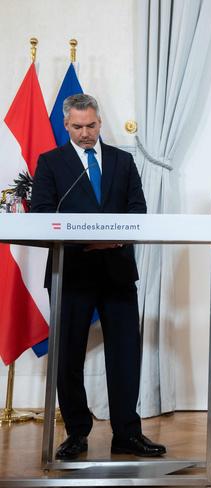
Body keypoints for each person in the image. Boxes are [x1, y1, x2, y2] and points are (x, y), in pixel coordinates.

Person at [31, 94, 166, 460]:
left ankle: (127, 433)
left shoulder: (123, 161)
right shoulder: (51, 162)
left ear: (100, 121)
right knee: (68, 356)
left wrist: (114, 237)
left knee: (125, 355)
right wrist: (84, 238)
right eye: (78, 127)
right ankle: (76, 433)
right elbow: (42, 212)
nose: (86, 133)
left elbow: (138, 209)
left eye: (91, 125)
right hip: (71, 271)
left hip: (117, 270)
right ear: (66, 125)